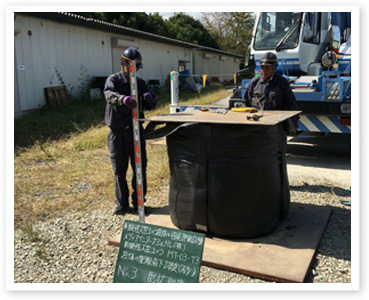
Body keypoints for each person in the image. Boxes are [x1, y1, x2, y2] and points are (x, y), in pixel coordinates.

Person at [104, 47, 157, 215]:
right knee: (120, 170)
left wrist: (150, 99)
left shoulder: (140, 83)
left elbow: (151, 105)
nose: (134, 71)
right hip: (118, 132)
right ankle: (122, 204)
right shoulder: (114, 80)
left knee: (139, 168)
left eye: (137, 67)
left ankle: (139, 203)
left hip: (136, 132)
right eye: (131, 67)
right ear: (123, 64)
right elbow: (109, 95)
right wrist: (122, 99)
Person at [242, 52, 299, 131]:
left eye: (267, 68)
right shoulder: (254, 82)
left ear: (274, 68)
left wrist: (293, 122)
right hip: (256, 126)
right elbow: (245, 102)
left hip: (276, 127)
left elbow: (291, 104)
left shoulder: (282, 83)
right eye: (262, 68)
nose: (264, 71)